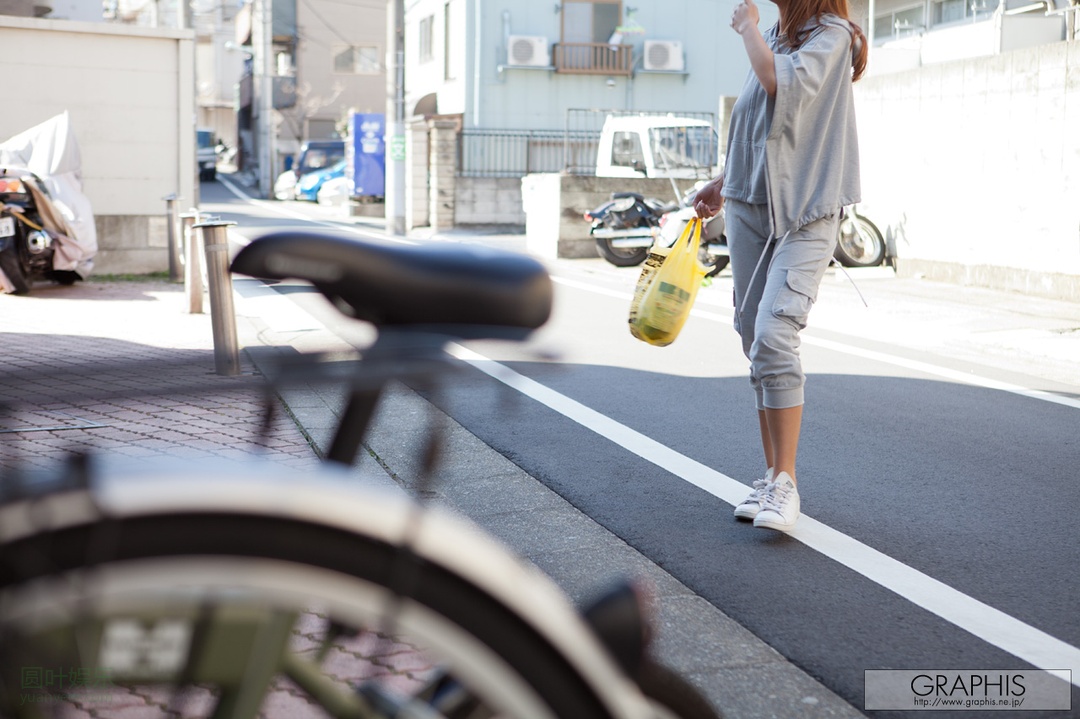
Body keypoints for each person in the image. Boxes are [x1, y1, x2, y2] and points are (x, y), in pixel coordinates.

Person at [694, 0, 867, 531]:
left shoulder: (832, 36)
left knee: (774, 331)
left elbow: (777, 84)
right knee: (752, 335)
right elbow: (757, 120)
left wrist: (747, 30)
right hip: (749, 202)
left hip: (805, 210)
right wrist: (724, 183)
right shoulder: (776, 31)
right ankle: (772, 477)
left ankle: (786, 483)